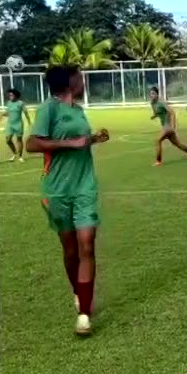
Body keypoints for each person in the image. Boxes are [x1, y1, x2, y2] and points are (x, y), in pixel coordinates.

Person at [28, 63, 111, 335]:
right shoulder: (48, 109)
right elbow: (32, 144)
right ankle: (78, 291)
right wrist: (71, 143)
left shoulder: (79, 110)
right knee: (70, 249)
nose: (84, 83)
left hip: (85, 187)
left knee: (87, 245)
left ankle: (84, 314)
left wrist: (93, 139)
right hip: (57, 189)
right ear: (70, 84)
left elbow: (80, 141)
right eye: (81, 79)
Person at [147, 86, 187, 166]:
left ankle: (158, 161)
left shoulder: (161, 103)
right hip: (164, 126)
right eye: (151, 94)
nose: (152, 95)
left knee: (157, 141)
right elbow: (156, 113)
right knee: (177, 144)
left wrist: (173, 126)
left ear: (157, 95)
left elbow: (172, 112)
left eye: (153, 93)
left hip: (168, 126)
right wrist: (154, 116)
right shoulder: (152, 104)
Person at [4, 89, 27, 163]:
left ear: (16, 96)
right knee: (8, 140)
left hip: (18, 124)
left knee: (19, 140)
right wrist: (2, 114)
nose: (10, 97)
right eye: (9, 95)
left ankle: (20, 156)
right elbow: (8, 113)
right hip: (10, 124)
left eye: (11, 95)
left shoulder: (21, 103)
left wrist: (29, 122)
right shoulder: (8, 103)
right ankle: (14, 153)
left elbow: (26, 113)